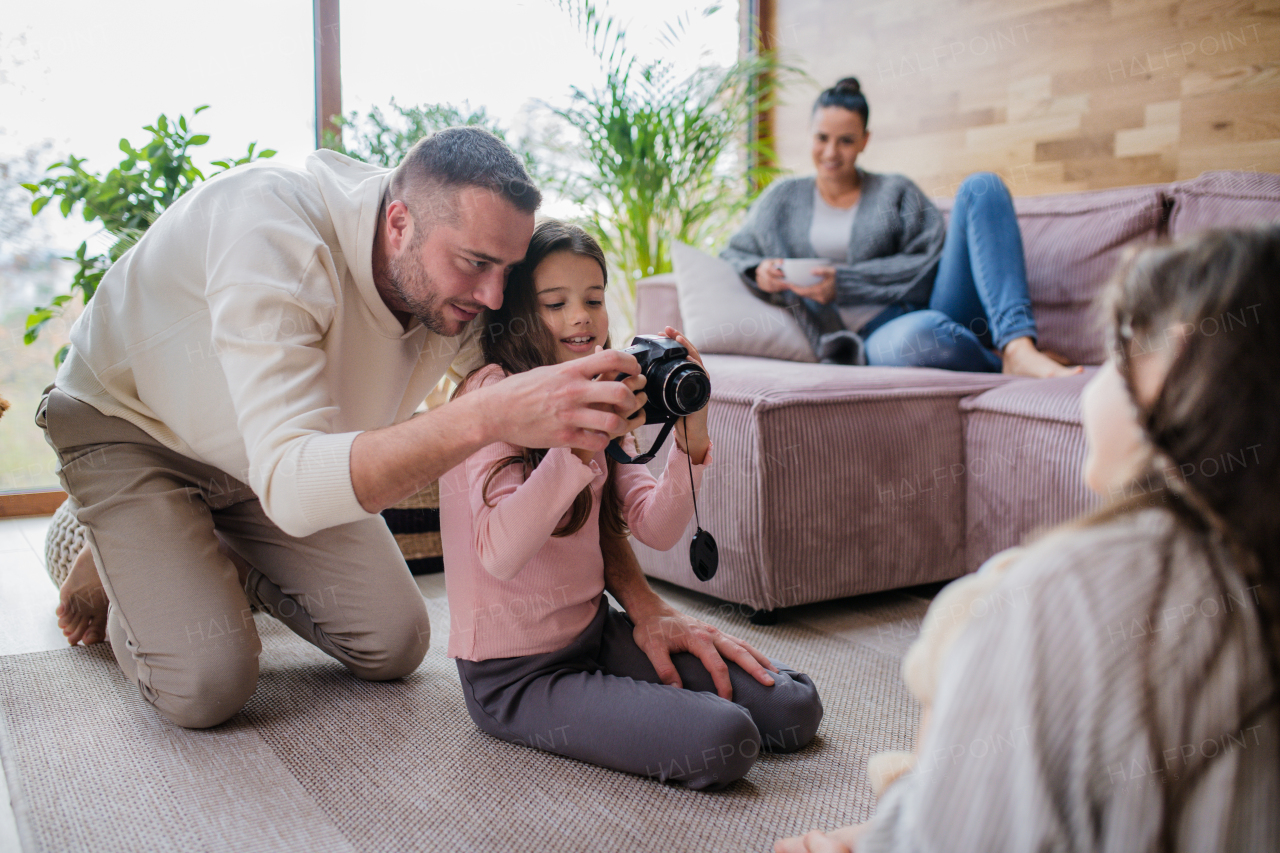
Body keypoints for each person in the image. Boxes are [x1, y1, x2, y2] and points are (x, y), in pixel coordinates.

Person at [39, 127, 779, 731]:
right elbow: (299, 488)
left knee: (395, 641)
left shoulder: (455, 295)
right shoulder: (270, 236)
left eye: (508, 269)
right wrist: (484, 413)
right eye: (475, 264)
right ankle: (123, 545)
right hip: (131, 423)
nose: (495, 296)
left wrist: (646, 605)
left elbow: (577, 464)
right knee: (207, 686)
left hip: (270, 458)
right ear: (400, 222)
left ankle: (201, 543)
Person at [774, 223, 1280, 851]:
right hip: (875, 335)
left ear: (1174, 363)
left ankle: (918, 789)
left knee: (974, 604)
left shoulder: (1066, 590)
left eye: (1116, 348)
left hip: (923, 324)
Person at [440, 220, 823, 789]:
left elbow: (655, 526)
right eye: (556, 303)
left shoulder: (597, 383)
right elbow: (499, 551)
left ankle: (629, 691)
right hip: (514, 674)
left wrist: (691, 437)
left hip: (595, 633)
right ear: (518, 313)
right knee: (725, 738)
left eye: (593, 299)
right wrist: (575, 444)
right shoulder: (490, 395)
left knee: (793, 708)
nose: (581, 317)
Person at [722, 77, 1078, 377]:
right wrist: (759, 272)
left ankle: (1017, 343)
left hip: (933, 306)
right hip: (871, 335)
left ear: (865, 140)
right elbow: (733, 254)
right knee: (923, 337)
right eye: (822, 138)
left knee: (981, 186)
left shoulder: (895, 191)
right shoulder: (781, 199)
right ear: (809, 134)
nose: (831, 152)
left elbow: (929, 265)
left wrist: (843, 284)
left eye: (846, 140)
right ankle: (998, 363)